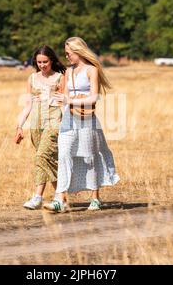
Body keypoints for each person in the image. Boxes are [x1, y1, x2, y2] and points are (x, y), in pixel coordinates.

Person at [43, 37, 120, 213]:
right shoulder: (67, 73)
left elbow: (94, 97)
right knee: (64, 155)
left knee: (89, 156)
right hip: (69, 119)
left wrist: (69, 100)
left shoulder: (91, 70)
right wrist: (57, 101)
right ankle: (59, 199)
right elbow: (64, 97)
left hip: (87, 118)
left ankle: (95, 198)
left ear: (78, 52)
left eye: (69, 53)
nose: (67, 56)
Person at [14, 45, 66, 209]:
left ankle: (38, 197)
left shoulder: (60, 77)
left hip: (54, 121)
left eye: (45, 61)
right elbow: (28, 105)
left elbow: (63, 103)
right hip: (36, 124)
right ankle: (60, 198)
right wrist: (19, 126)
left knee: (41, 157)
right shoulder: (32, 78)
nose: (42, 65)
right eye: (39, 62)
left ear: (52, 60)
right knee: (46, 161)